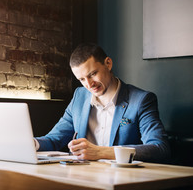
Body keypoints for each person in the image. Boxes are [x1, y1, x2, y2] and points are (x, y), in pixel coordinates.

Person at [35, 43, 170, 163]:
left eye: (92, 74)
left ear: (108, 63)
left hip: (122, 180)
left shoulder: (141, 100)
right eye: (82, 79)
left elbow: (159, 148)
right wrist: (31, 144)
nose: (89, 84)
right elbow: (54, 139)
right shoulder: (80, 97)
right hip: (82, 177)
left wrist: (101, 152)